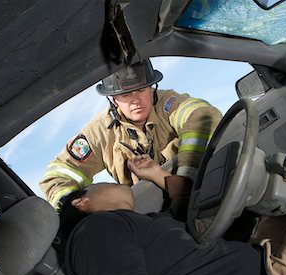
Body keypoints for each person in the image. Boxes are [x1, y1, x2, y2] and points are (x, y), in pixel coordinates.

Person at [62, 157, 286, 275]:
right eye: (95, 184)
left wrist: (157, 174)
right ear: (81, 203)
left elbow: (186, 206)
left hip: (267, 264)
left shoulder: (145, 225)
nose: (108, 181)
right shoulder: (94, 231)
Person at [39, 59, 222, 211]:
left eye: (142, 90)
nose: (136, 100)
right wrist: (79, 212)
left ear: (152, 88)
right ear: (113, 99)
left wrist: (185, 181)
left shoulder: (168, 103)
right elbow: (59, 174)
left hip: (201, 191)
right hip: (146, 212)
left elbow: (203, 115)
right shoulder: (100, 131)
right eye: (125, 94)